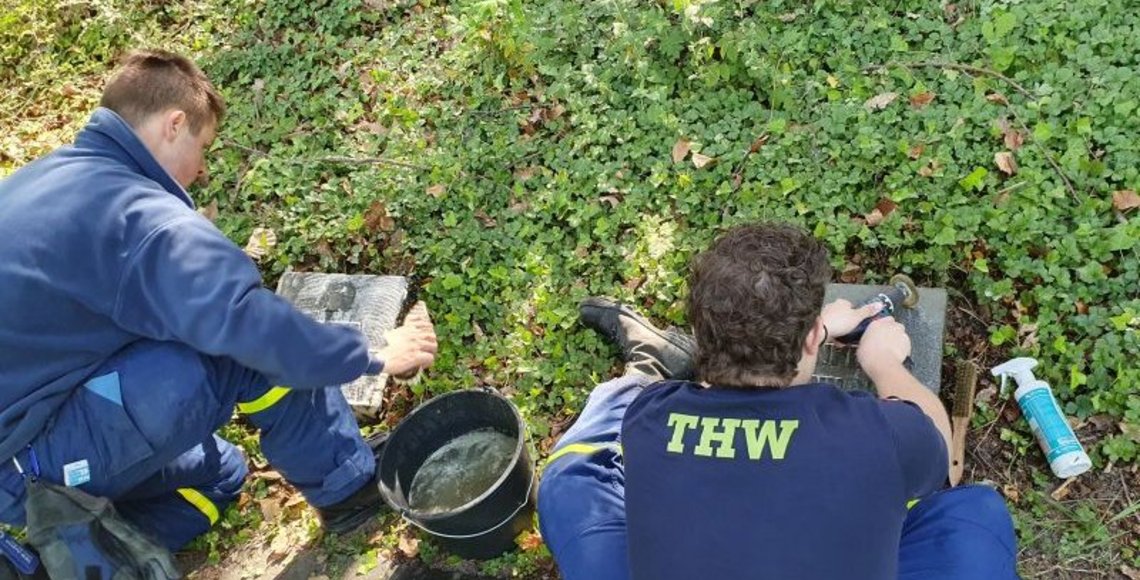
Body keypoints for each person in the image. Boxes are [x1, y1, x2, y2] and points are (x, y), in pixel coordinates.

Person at [0, 50, 438, 558]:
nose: (203, 170)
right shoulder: (141, 216)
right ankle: (348, 487)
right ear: (174, 123)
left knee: (218, 476)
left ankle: (76, 551)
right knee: (243, 346)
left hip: (34, 438)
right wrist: (377, 355)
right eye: (203, 147)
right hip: (30, 462)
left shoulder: (42, 180)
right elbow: (250, 324)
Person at [538, 223, 1019, 580]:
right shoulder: (877, 439)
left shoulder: (649, 417)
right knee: (973, 514)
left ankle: (647, 365)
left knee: (570, 479)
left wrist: (810, 330)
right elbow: (937, 448)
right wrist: (885, 363)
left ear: (702, 339)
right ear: (812, 339)